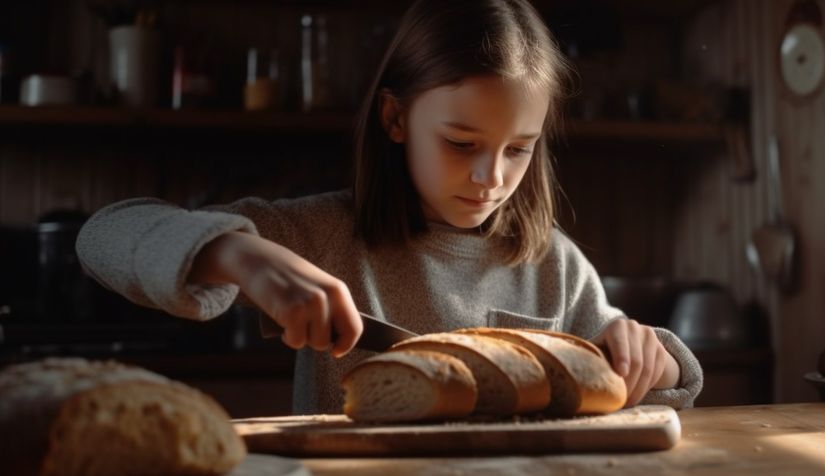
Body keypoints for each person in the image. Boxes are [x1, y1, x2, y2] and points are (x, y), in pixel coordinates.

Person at [77, 0, 702, 414]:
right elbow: (104, 234)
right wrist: (234, 252)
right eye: (461, 143)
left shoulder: (555, 265)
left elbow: (662, 383)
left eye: (519, 150)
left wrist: (655, 353)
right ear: (395, 117)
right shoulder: (324, 236)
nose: (492, 178)